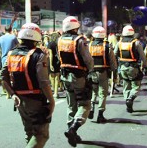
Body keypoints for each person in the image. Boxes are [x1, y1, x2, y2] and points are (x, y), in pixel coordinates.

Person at [0, 23, 55, 147]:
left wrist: (12, 94)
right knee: (41, 135)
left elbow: (3, 77)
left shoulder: (11, 54)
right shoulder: (39, 55)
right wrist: (52, 101)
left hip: (20, 101)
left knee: (29, 132)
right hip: (35, 101)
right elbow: (44, 81)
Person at [57, 16, 94, 147]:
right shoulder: (79, 40)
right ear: (75, 28)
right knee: (84, 104)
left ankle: (71, 129)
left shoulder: (60, 39)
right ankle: (73, 128)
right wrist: (90, 70)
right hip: (78, 77)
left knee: (71, 104)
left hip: (65, 76)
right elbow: (87, 59)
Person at [114, 25, 147, 113]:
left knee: (126, 85)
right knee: (136, 86)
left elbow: (114, 55)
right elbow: (143, 56)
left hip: (122, 68)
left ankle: (128, 103)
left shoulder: (119, 43)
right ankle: (131, 98)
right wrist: (145, 66)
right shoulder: (136, 43)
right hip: (133, 67)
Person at [87, 26, 117, 123]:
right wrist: (114, 74)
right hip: (103, 73)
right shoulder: (107, 46)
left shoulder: (89, 45)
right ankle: (100, 114)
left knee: (93, 91)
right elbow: (113, 62)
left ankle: (91, 109)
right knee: (102, 93)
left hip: (91, 73)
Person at [47, 32, 61, 98]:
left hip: (52, 61)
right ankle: (56, 92)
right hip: (58, 61)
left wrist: (50, 64)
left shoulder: (50, 44)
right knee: (57, 77)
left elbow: (51, 54)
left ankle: (54, 91)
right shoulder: (58, 43)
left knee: (52, 77)